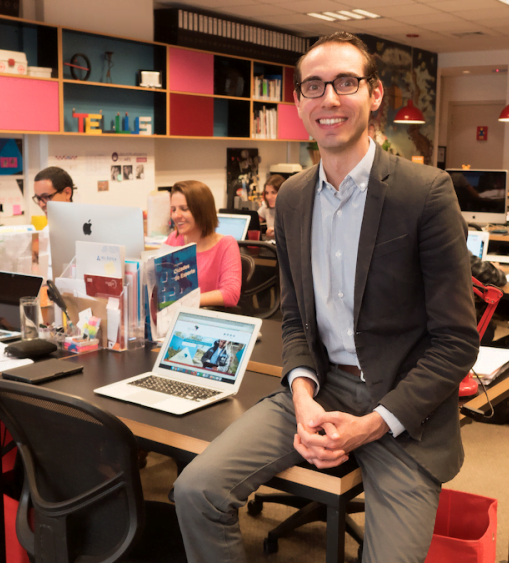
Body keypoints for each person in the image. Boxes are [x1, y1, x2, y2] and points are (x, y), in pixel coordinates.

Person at [173, 32, 480, 562]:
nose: (329, 99)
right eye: (313, 86)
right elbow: (296, 319)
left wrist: (372, 424)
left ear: (375, 94)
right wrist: (301, 396)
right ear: (298, 102)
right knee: (196, 490)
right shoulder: (291, 198)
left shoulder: (425, 193)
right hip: (321, 386)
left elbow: (455, 342)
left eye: (346, 82)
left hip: (402, 406)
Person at [164, 180, 242, 308]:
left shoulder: (226, 245)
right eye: (173, 209)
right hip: (174, 316)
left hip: (205, 319)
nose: (176, 215)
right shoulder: (174, 239)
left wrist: (185, 301)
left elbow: (230, 294)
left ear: (202, 210)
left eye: (184, 209)